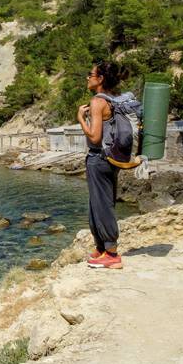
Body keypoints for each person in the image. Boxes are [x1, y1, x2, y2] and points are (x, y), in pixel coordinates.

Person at [78, 62, 128, 269]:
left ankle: (112, 254)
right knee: (97, 203)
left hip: (99, 158)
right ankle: (101, 248)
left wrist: (80, 118)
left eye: (90, 75)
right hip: (112, 158)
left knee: (102, 204)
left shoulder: (98, 101)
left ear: (100, 79)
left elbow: (95, 136)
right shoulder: (115, 99)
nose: (87, 78)